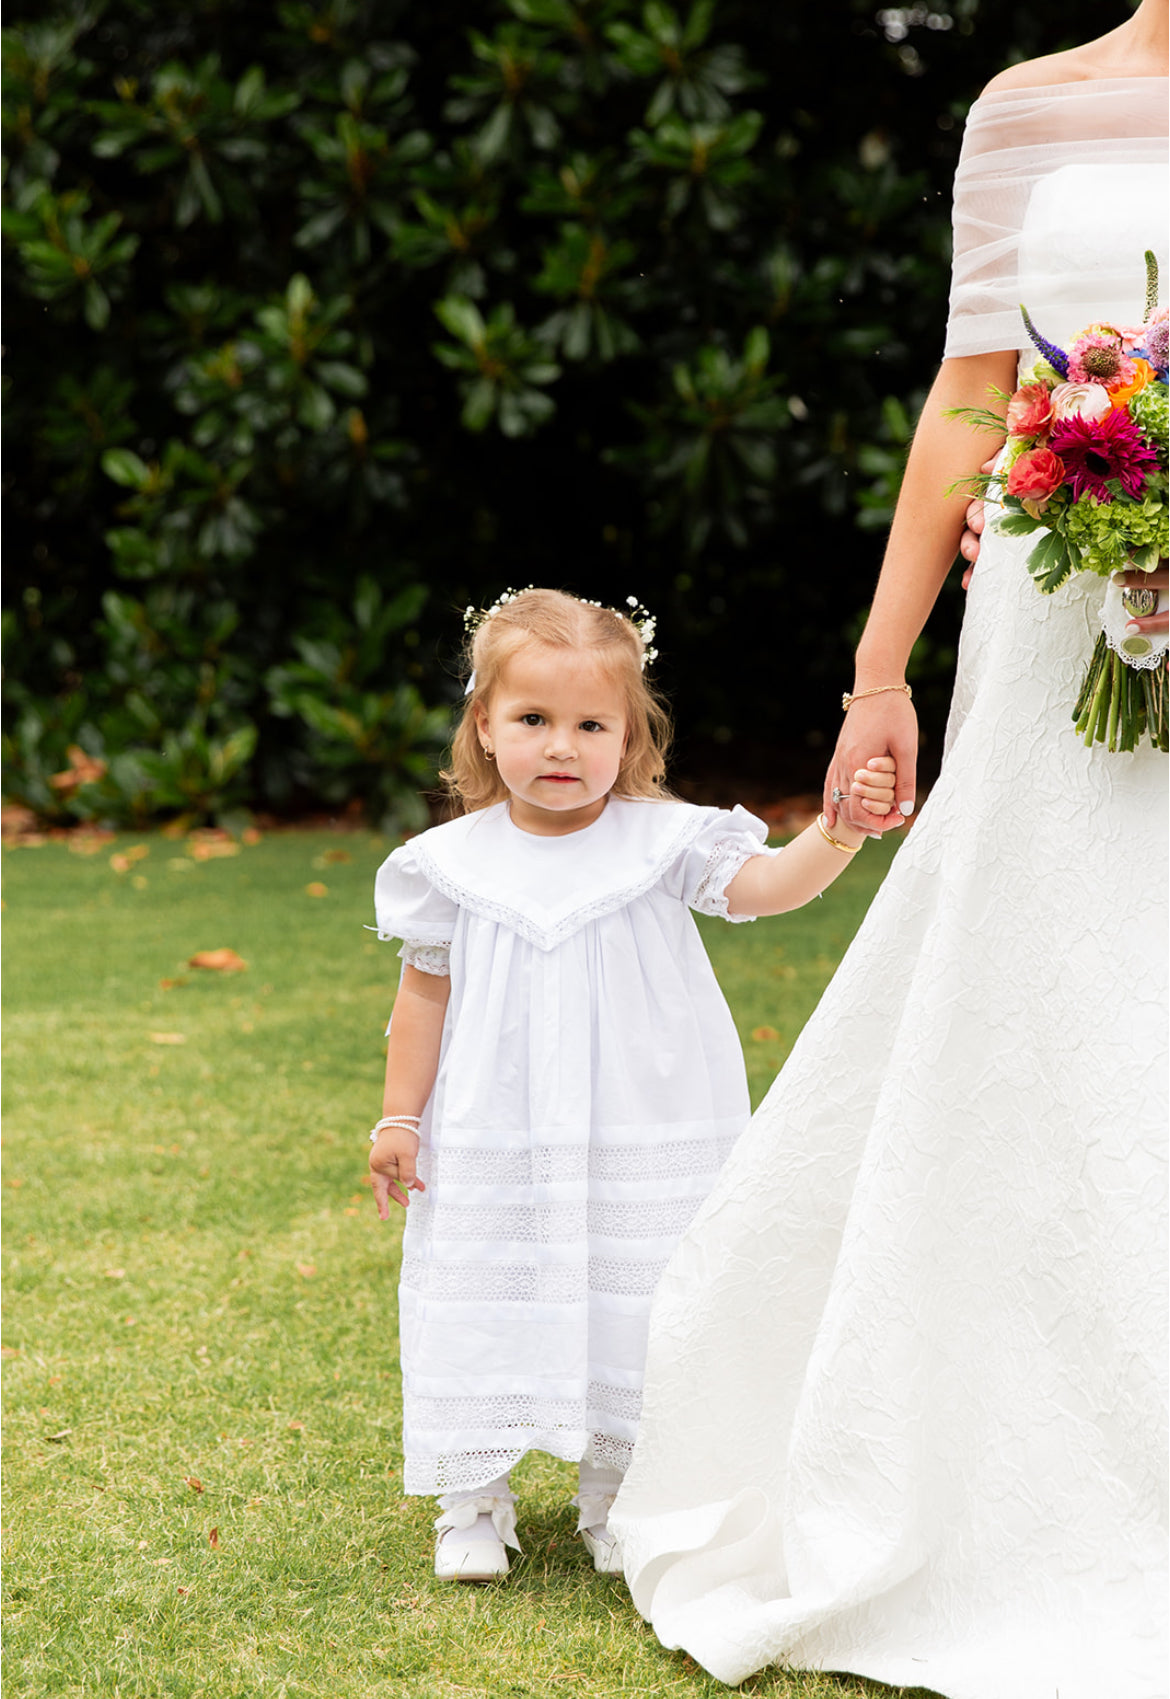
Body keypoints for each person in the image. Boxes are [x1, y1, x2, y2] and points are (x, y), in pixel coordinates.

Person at [609, 7, 1168, 1696]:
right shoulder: (1029, 108)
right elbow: (966, 406)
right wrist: (878, 678)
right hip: (1066, 613)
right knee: (1045, 993)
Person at [367, 587, 896, 1582]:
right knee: (486, 1287)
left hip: (642, 1118)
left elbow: (770, 888)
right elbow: (424, 997)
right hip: (498, 1125)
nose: (561, 746)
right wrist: (401, 1116)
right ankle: (471, 1496)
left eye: (590, 724)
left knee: (641, 1289)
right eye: (533, 720)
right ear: (484, 723)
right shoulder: (446, 864)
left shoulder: (669, 841)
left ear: (630, 731)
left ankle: (625, 1489)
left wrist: (841, 832)